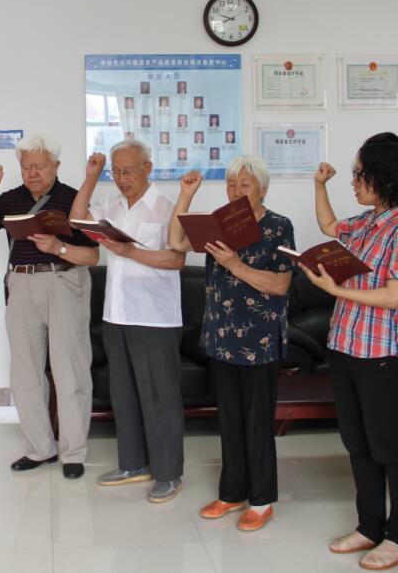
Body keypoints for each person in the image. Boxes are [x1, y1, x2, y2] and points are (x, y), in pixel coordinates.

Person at [304, 133, 398, 571]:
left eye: (360, 174)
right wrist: (319, 185)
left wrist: (336, 289)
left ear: (385, 177)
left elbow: (394, 296)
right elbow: (328, 226)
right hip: (344, 347)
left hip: (380, 356)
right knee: (357, 445)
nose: (354, 181)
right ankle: (369, 526)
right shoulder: (364, 223)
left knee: (389, 448)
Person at [0, 134, 99, 480]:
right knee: (25, 372)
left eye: (40, 166)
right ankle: (40, 448)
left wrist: (57, 248)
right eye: (26, 167)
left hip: (64, 281)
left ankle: (73, 453)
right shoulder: (11, 199)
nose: (33, 172)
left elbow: (92, 256)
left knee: (70, 370)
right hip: (21, 284)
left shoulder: (72, 199)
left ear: (56, 166)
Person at [169, 157, 295, 532]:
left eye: (245, 185)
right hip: (221, 338)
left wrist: (235, 264)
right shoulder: (219, 223)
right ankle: (232, 493)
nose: (236, 191)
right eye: (230, 184)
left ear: (262, 189)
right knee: (228, 420)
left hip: (260, 341)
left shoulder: (279, 226)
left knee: (257, 423)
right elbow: (175, 242)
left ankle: (262, 500)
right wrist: (185, 195)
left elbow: (280, 285)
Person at [71, 139, 187, 503]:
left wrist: (130, 251)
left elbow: (176, 260)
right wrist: (92, 177)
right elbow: (77, 220)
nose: (122, 179)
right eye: (116, 172)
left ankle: (168, 473)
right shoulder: (112, 205)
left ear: (147, 168)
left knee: (160, 396)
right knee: (124, 394)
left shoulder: (167, 206)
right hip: (116, 313)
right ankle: (134, 464)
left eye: (128, 171)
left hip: (153, 316)